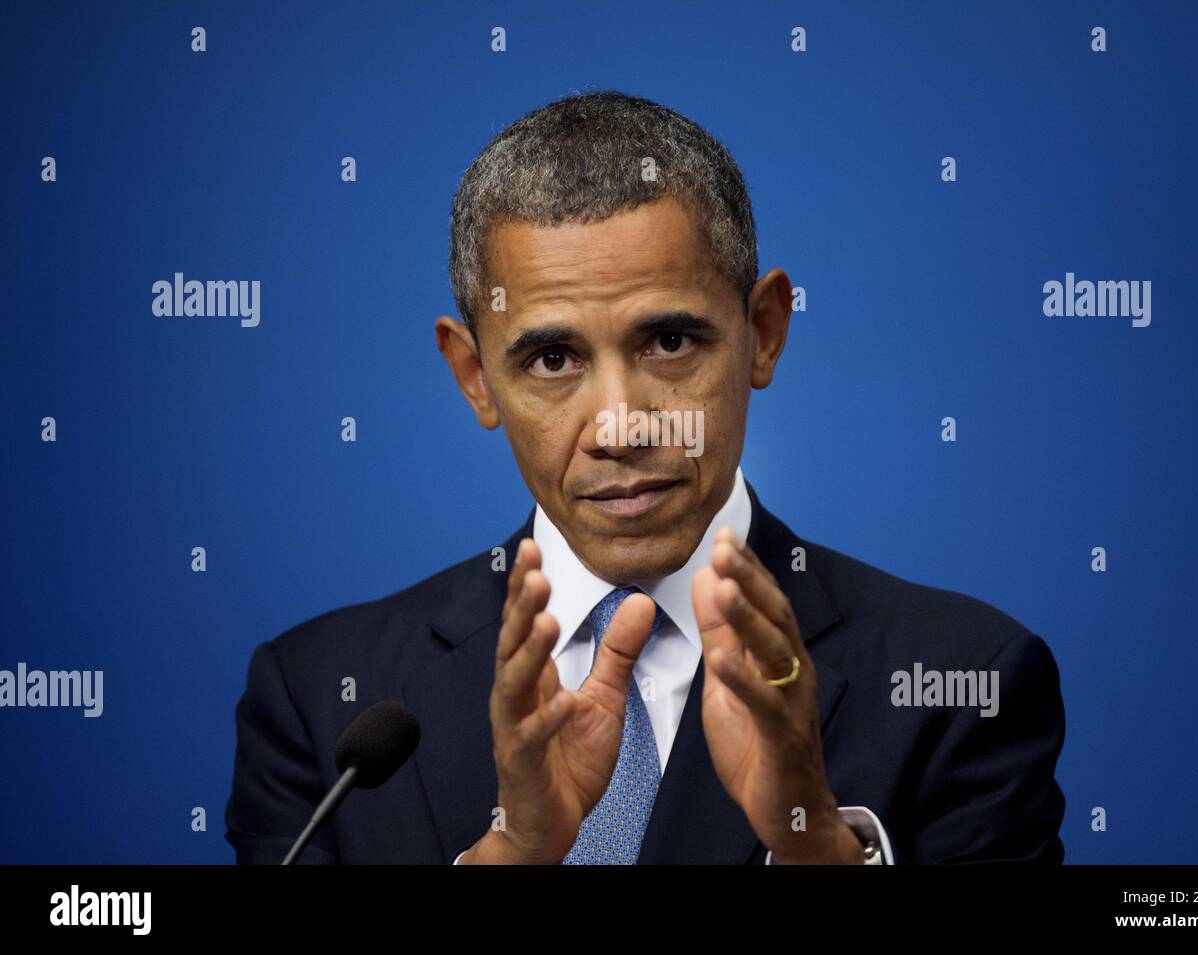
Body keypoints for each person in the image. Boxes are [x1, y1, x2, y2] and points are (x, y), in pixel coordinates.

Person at [225, 90, 1066, 865]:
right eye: (553, 358)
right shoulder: (317, 702)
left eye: (670, 343)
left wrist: (815, 841)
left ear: (764, 331)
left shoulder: (969, 680)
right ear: (474, 375)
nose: (622, 426)